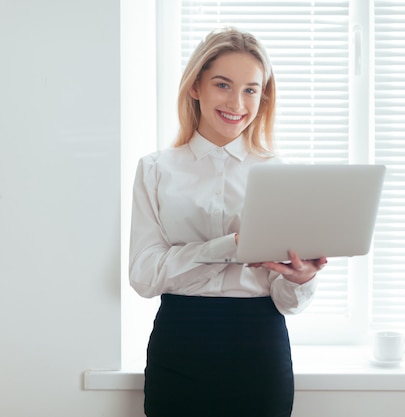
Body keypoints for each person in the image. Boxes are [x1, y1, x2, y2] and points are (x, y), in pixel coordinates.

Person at [129, 27, 327, 417]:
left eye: (251, 89)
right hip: (180, 341)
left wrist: (300, 278)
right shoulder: (155, 170)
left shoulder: (280, 175)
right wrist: (228, 247)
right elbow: (144, 275)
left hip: (260, 345)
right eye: (223, 84)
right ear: (196, 87)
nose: (237, 102)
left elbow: (285, 301)